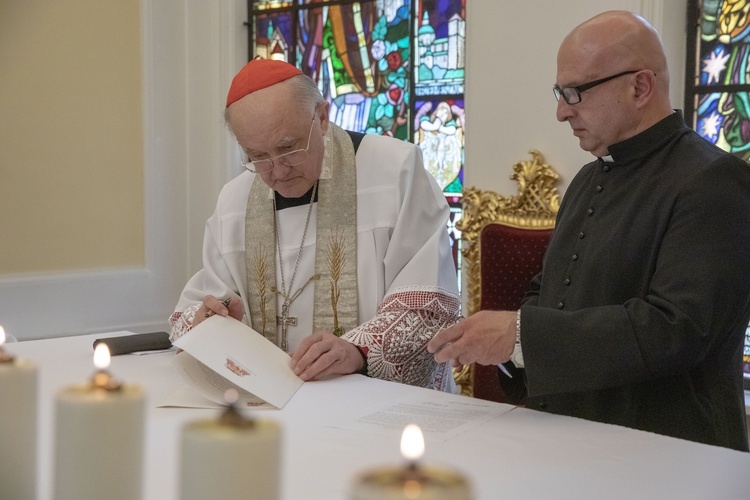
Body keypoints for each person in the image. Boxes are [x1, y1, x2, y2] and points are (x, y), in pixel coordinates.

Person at [428, 10, 750, 451]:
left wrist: (520, 335)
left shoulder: (714, 179)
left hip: (667, 451)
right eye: (560, 92)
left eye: (575, 93)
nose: (561, 112)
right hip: (571, 441)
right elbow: (546, 292)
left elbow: (677, 329)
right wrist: (510, 350)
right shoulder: (586, 179)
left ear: (639, 87)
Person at [170, 57, 460, 392]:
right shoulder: (234, 201)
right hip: (271, 408)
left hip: (376, 406)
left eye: (288, 148)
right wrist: (211, 324)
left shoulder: (395, 173)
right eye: (257, 156)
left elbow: (425, 306)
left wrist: (356, 351)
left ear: (322, 117)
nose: (277, 171)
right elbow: (202, 303)